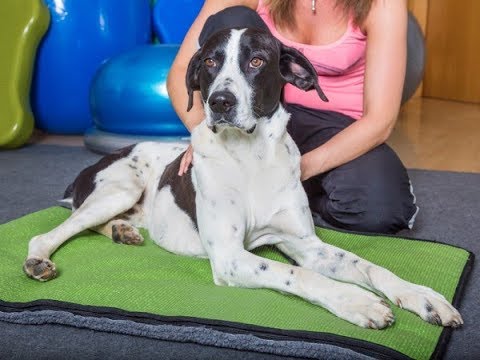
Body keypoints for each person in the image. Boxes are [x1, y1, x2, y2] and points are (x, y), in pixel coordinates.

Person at [166, 0, 419, 234]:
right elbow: (180, 71)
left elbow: (380, 121)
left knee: (380, 211)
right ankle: (255, 185)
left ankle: (291, 196)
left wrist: (296, 170)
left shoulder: (383, 4)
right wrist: (204, 133)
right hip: (265, 118)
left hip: (340, 128)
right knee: (234, 17)